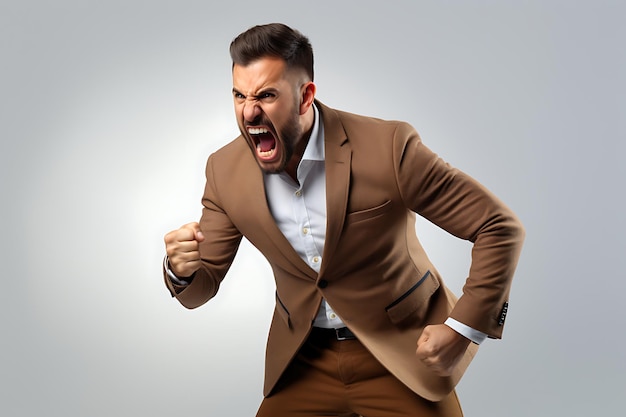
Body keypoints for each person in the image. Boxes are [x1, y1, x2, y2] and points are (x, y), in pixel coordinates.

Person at [163, 23, 524, 417]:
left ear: (305, 97)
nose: (249, 111)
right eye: (239, 95)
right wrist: (181, 270)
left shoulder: (388, 148)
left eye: (266, 95)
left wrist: (462, 330)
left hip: (399, 354)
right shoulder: (223, 170)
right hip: (304, 361)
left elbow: (497, 226)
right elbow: (201, 289)